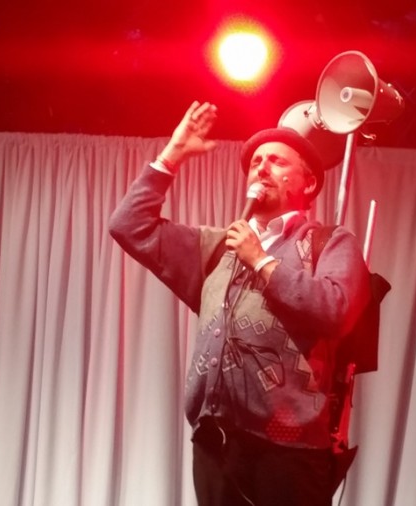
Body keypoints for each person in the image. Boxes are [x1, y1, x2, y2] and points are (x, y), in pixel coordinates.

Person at [108, 101, 371, 506]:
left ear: (308, 183)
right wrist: (173, 154)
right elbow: (129, 225)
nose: (262, 168)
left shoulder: (329, 242)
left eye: (277, 161)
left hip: (289, 451)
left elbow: (336, 310)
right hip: (216, 443)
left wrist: (262, 262)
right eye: (256, 162)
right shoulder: (217, 249)